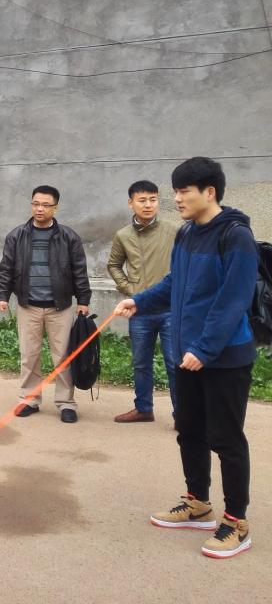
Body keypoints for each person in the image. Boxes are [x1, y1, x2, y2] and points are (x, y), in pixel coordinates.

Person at [115, 157, 258, 559]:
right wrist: (139, 302)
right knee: (190, 430)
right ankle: (198, 503)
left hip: (224, 357)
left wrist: (205, 348)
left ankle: (237, 522)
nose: (175, 199)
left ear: (209, 192)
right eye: (174, 191)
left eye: (183, 191)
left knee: (226, 439)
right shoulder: (187, 233)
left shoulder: (235, 236)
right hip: (189, 354)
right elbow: (174, 283)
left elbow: (233, 300)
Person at [0, 185, 91, 423]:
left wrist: (83, 300)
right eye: (36, 204)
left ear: (55, 208)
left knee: (63, 357)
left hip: (60, 307)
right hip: (28, 306)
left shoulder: (68, 237)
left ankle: (66, 403)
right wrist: (2, 296)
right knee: (29, 355)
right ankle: (29, 399)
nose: (40, 209)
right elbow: (6, 268)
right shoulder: (17, 236)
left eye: (46, 205)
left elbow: (79, 270)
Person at [107, 180, 179, 422]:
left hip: (170, 309)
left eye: (153, 199)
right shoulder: (123, 235)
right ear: (131, 203)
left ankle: (183, 415)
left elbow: (184, 264)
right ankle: (143, 408)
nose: (148, 205)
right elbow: (114, 265)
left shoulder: (173, 231)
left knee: (174, 363)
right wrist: (130, 289)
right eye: (142, 200)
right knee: (140, 363)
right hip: (139, 310)